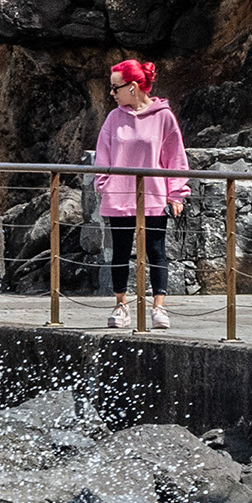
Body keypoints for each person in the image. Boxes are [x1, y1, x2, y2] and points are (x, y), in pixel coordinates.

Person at [90, 58, 188, 327]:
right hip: (120, 195)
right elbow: (103, 153)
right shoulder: (114, 117)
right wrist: (103, 183)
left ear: (133, 87)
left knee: (156, 252)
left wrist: (176, 193)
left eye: (115, 88)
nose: (112, 93)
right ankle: (121, 305)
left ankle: (159, 308)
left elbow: (174, 156)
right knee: (120, 253)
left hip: (154, 195)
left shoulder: (163, 116)